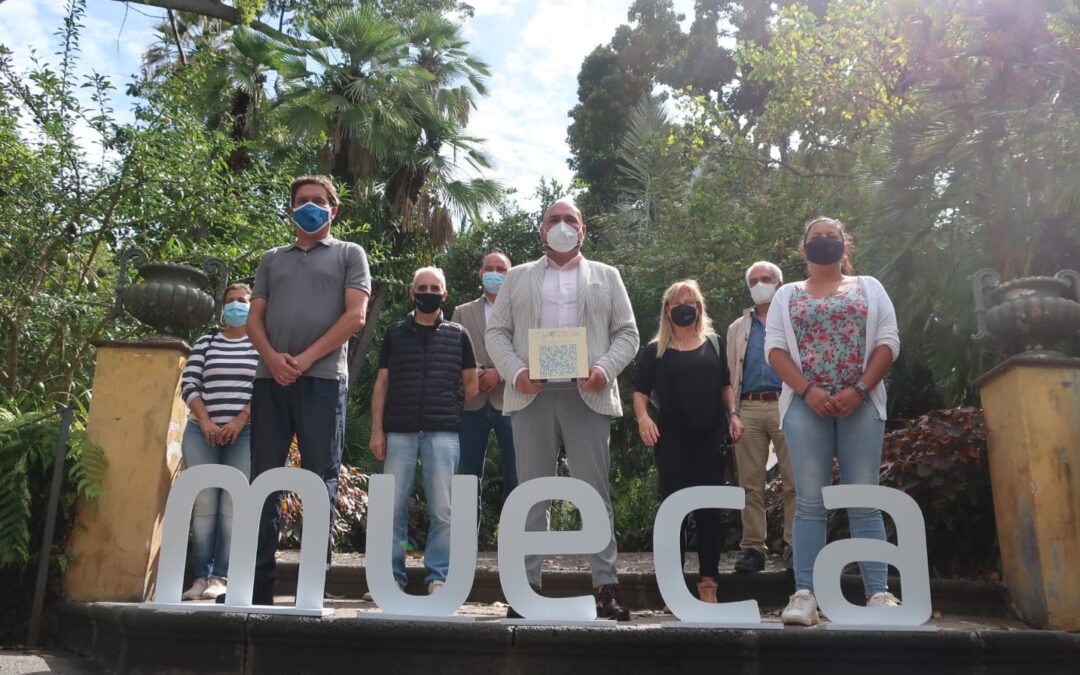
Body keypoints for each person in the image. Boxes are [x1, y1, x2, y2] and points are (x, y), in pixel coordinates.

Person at [486, 198, 640, 621]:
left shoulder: (606, 277)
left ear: (583, 230)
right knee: (532, 493)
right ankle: (528, 586)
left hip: (586, 394)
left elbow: (628, 333)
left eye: (570, 219)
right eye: (553, 219)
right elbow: (496, 332)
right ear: (541, 231)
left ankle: (605, 587)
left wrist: (604, 370)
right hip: (530, 395)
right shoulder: (517, 278)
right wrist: (516, 372)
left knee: (594, 492)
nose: (561, 225)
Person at [238, 175, 370, 605]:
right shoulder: (271, 259)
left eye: (318, 201)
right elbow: (253, 319)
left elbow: (356, 317)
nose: (308, 206)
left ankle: (312, 586)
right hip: (269, 380)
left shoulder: (351, 254)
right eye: (301, 201)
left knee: (320, 479)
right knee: (263, 479)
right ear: (291, 208)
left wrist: (306, 358)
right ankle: (256, 587)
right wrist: (273, 359)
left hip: (323, 381)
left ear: (333, 210)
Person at [764, 216, 902, 626]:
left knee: (864, 498)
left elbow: (888, 342)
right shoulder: (786, 294)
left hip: (861, 402)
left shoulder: (870, 288)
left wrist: (858, 390)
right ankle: (805, 594)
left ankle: (879, 592)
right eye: (815, 238)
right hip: (806, 407)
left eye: (832, 236)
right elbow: (775, 350)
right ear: (803, 250)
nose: (824, 242)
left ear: (845, 245)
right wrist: (810, 392)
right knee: (809, 501)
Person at [369, 267, 479, 594]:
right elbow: (382, 384)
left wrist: (447, 406)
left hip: (443, 433)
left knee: (443, 508)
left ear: (445, 295)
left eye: (435, 288)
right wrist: (377, 429)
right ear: (412, 293)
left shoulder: (459, 334)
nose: (428, 292)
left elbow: (471, 384)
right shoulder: (394, 333)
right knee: (391, 507)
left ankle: (439, 577)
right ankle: (390, 578)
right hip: (398, 432)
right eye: (422, 287)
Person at [633, 280, 743, 603]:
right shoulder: (655, 350)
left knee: (709, 510)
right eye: (679, 302)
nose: (685, 307)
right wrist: (643, 418)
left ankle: (708, 581)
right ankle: (672, 582)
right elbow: (639, 392)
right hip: (672, 441)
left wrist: (733, 414)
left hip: (711, 437)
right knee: (673, 511)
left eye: (691, 302)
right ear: (668, 309)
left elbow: (725, 384)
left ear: (699, 308)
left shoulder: (714, 342)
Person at [179, 283, 259, 601]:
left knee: (231, 505)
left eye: (242, 301)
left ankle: (220, 577)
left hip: (246, 433)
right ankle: (200, 576)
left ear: (253, 306)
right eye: (230, 301)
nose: (236, 306)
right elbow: (190, 383)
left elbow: (264, 388)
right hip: (202, 433)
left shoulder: (260, 345)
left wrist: (239, 421)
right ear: (221, 307)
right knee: (204, 504)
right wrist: (207, 421)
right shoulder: (207, 342)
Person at [726, 261, 797, 574]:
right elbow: (728, 376)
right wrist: (732, 413)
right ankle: (754, 548)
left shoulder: (795, 318)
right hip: (749, 408)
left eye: (766, 279)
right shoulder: (737, 328)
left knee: (796, 482)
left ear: (780, 284)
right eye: (753, 280)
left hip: (789, 405)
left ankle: (795, 546)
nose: (759, 284)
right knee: (750, 484)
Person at [453, 252, 518, 525]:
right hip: (472, 401)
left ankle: (519, 542)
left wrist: (500, 373)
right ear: (480, 273)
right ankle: (465, 546)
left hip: (512, 401)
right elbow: (455, 350)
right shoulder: (462, 311)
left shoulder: (522, 309)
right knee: (466, 477)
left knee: (517, 474)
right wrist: (479, 373)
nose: (494, 273)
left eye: (501, 269)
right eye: (489, 269)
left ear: (510, 274)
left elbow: (528, 349)